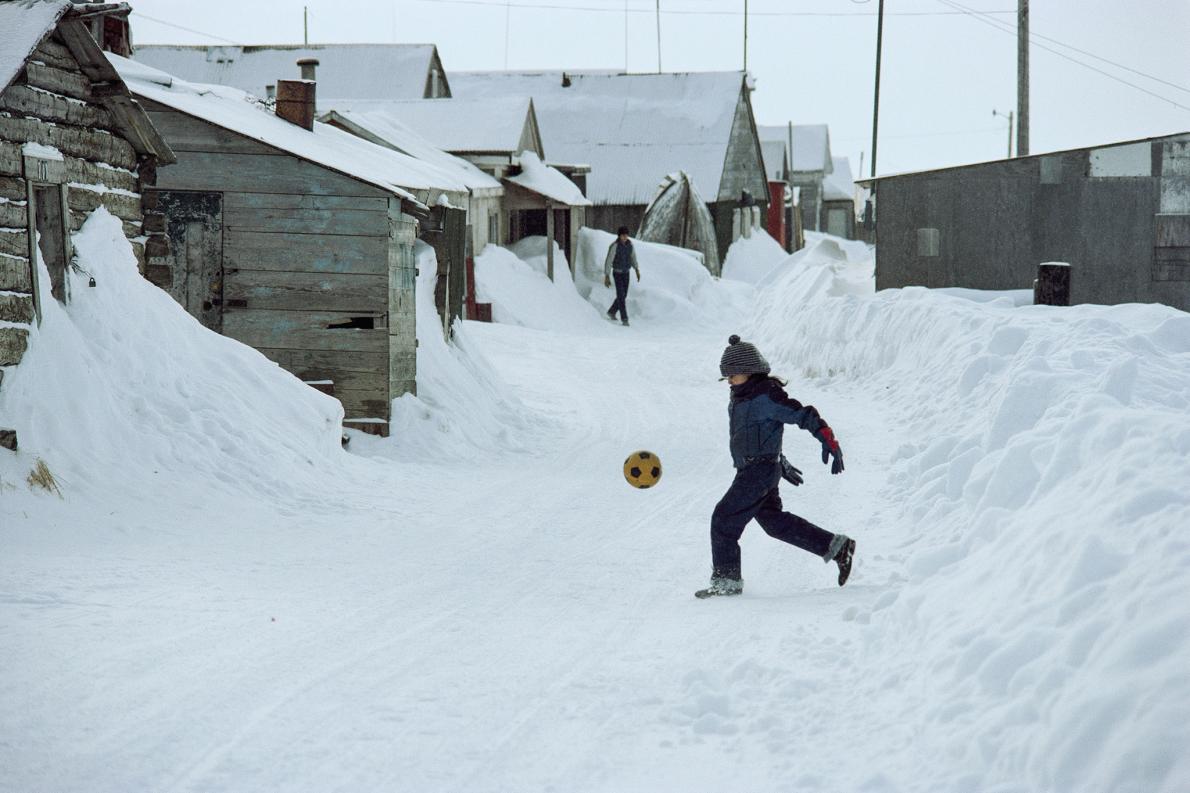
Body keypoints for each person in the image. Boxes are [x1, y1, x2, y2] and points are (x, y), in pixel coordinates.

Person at [697, 335, 855, 599]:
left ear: (749, 371)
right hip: (758, 469)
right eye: (727, 377)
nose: (729, 381)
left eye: (733, 375)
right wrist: (778, 459)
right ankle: (837, 547)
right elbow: (760, 434)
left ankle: (727, 582)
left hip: (757, 473)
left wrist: (828, 439)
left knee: (723, 519)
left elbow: (804, 415)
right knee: (774, 523)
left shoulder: (766, 397)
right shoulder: (741, 396)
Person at [603, 226, 640, 326]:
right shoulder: (615, 246)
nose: (625, 237)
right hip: (617, 273)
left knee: (623, 295)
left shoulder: (630, 245)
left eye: (626, 235)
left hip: (626, 273)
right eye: (623, 235)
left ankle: (611, 311)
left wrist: (636, 269)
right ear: (619, 236)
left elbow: (633, 257)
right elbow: (609, 260)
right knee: (621, 295)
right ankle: (624, 318)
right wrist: (607, 275)